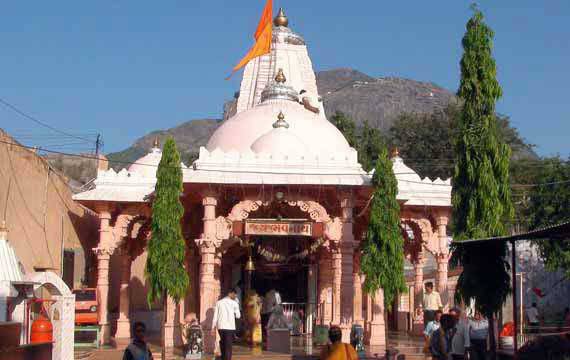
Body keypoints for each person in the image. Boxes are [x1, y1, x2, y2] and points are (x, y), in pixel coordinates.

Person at [212, 288, 241, 360]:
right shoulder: (234, 303)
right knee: (228, 346)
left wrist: (213, 327)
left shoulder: (219, 302)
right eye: (235, 295)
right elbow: (238, 316)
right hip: (230, 327)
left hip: (221, 327)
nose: (235, 296)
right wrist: (237, 305)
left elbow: (215, 316)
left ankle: (223, 358)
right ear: (230, 293)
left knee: (222, 344)